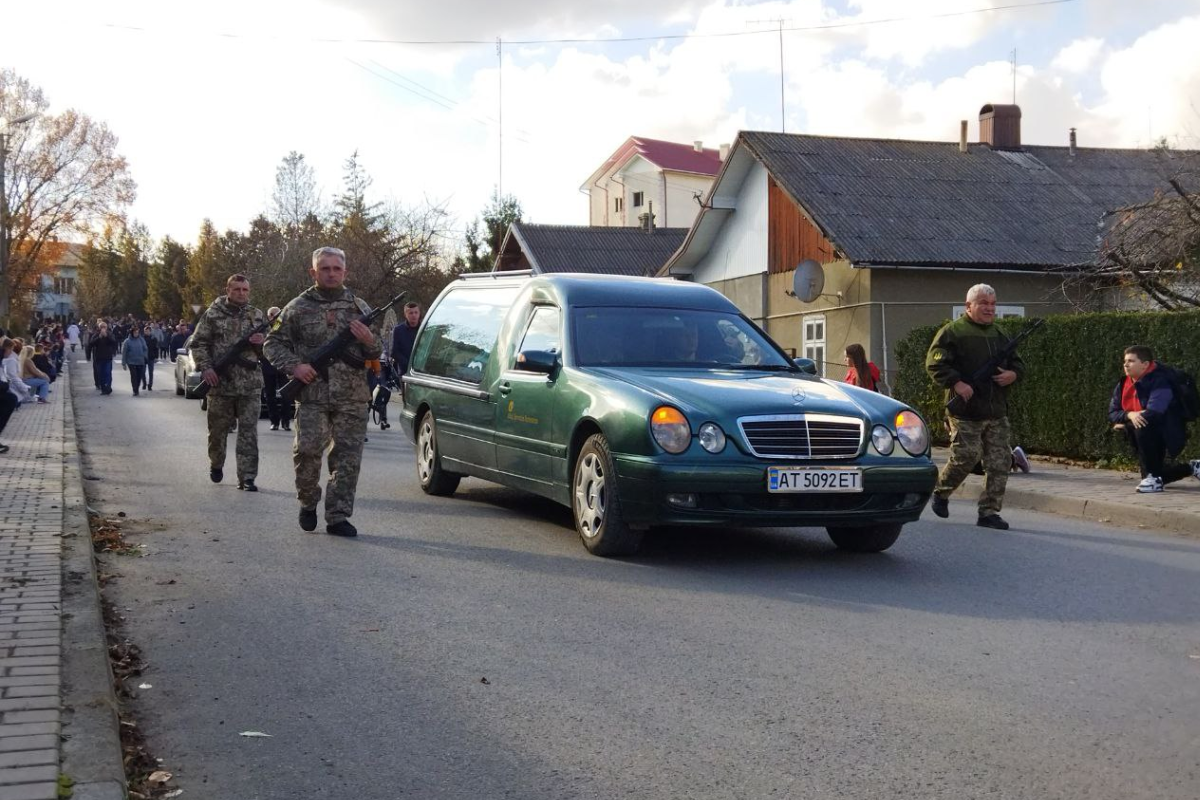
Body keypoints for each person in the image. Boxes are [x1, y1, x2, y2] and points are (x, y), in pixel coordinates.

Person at [264, 246, 382, 537]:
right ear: (313, 272)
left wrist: (369, 340)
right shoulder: (296, 307)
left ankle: (338, 516)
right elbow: (271, 344)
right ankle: (307, 501)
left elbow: (377, 350)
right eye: (325, 268)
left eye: (336, 269)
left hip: (352, 396)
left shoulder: (360, 307)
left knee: (347, 458)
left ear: (345, 272)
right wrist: (295, 367)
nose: (331, 274)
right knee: (306, 453)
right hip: (312, 394)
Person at [925, 284, 1024, 530]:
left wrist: (1013, 374)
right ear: (968, 306)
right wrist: (957, 383)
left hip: (996, 410)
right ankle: (941, 492)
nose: (990, 309)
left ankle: (989, 512)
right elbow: (935, 364)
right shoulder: (953, 332)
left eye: (993, 304)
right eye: (984, 304)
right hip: (965, 410)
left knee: (1000, 462)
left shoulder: (1000, 333)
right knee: (967, 456)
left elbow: (1018, 364)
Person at [190, 274, 266, 491]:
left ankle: (247, 477)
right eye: (237, 289)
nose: (241, 293)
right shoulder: (213, 314)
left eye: (245, 289)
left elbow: (270, 348)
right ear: (228, 290)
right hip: (220, 384)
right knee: (217, 431)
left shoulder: (256, 315)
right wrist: (206, 367)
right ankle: (216, 463)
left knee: (249, 433)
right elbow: (198, 343)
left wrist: (262, 342)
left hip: (250, 384)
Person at [1108, 345, 1200, 493]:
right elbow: (1113, 412)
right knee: (1153, 474)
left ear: (1145, 364)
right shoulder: (1123, 384)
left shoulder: (1160, 381)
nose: (1126, 365)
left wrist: (1127, 423)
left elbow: (1154, 412)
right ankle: (1190, 468)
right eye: (1125, 361)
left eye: (1131, 361)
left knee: (1141, 425)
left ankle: (1153, 479)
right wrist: (1129, 415)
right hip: (1144, 429)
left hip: (1166, 429)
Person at [260, 306, 292, 432]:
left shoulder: (285, 327)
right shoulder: (263, 328)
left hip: (283, 365)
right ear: (268, 316)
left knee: (286, 395)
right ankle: (274, 421)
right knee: (270, 395)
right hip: (268, 365)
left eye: (277, 314)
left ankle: (286, 421)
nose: (274, 317)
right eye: (272, 315)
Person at [389, 301, 422, 386]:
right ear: (405, 314)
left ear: (419, 313)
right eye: (411, 313)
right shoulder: (398, 330)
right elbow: (394, 352)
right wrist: (408, 364)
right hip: (405, 373)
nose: (414, 315)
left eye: (416, 312)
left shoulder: (425, 329)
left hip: (422, 372)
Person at [86, 322, 118, 394]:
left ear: (106, 328)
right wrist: (99, 338)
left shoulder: (110, 334)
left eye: (104, 327)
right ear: (99, 328)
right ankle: (103, 389)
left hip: (108, 357)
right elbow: (91, 344)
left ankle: (108, 387)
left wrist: (106, 336)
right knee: (100, 374)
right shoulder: (96, 334)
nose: (103, 328)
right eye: (101, 327)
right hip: (99, 358)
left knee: (107, 373)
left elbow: (114, 342)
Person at [120, 326, 149, 397]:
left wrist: (144, 356)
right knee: (134, 376)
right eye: (135, 332)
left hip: (140, 361)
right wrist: (124, 363)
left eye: (137, 332)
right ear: (132, 333)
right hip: (131, 362)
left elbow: (145, 348)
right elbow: (124, 353)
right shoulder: (127, 341)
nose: (136, 334)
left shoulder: (141, 340)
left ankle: (137, 388)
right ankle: (135, 390)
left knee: (139, 376)